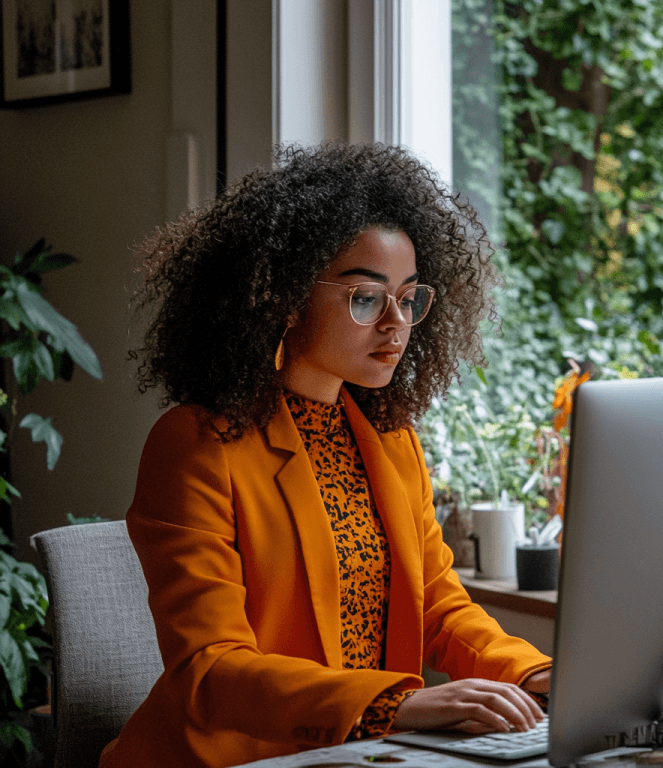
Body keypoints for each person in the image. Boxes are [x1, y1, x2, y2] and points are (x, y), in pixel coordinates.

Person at [100, 143, 552, 768]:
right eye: (366, 298)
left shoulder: (393, 440)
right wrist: (397, 704)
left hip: (360, 755)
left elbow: (439, 607)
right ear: (284, 299)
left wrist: (536, 675)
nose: (396, 324)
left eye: (410, 297)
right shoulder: (196, 444)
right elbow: (210, 670)